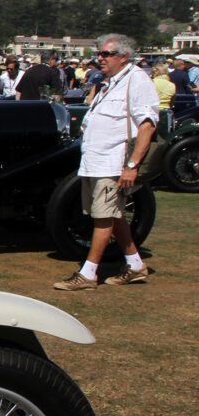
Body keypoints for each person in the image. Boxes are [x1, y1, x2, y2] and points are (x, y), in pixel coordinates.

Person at [55, 33, 160, 290]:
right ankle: (135, 265)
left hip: (114, 162)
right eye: (99, 53)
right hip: (96, 161)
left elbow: (147, 125)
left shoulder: (137, 80)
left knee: (103, 217)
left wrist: (132, 166)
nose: (99, 58)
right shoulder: (110, 82)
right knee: (112, 214)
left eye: (106, 54)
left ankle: (89, 273)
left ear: (123, 57)